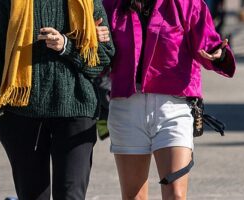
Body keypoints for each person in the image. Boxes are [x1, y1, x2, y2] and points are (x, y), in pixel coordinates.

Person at [0, 0, 114, 199]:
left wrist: (67, 46)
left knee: (71, 195)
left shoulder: (87, 2)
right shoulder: (6, 3)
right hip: (21, 114)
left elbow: (103, 57)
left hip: (77, 109)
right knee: (32, 195)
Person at [101, 0, 236, 199]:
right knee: (133, 197)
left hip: (174, 107)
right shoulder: (110, 4)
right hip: (127, 106)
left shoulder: (188, 3)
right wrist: (97, 41)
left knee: (176, 194)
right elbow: (100, 54)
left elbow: (207, 42)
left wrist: (219, 54)